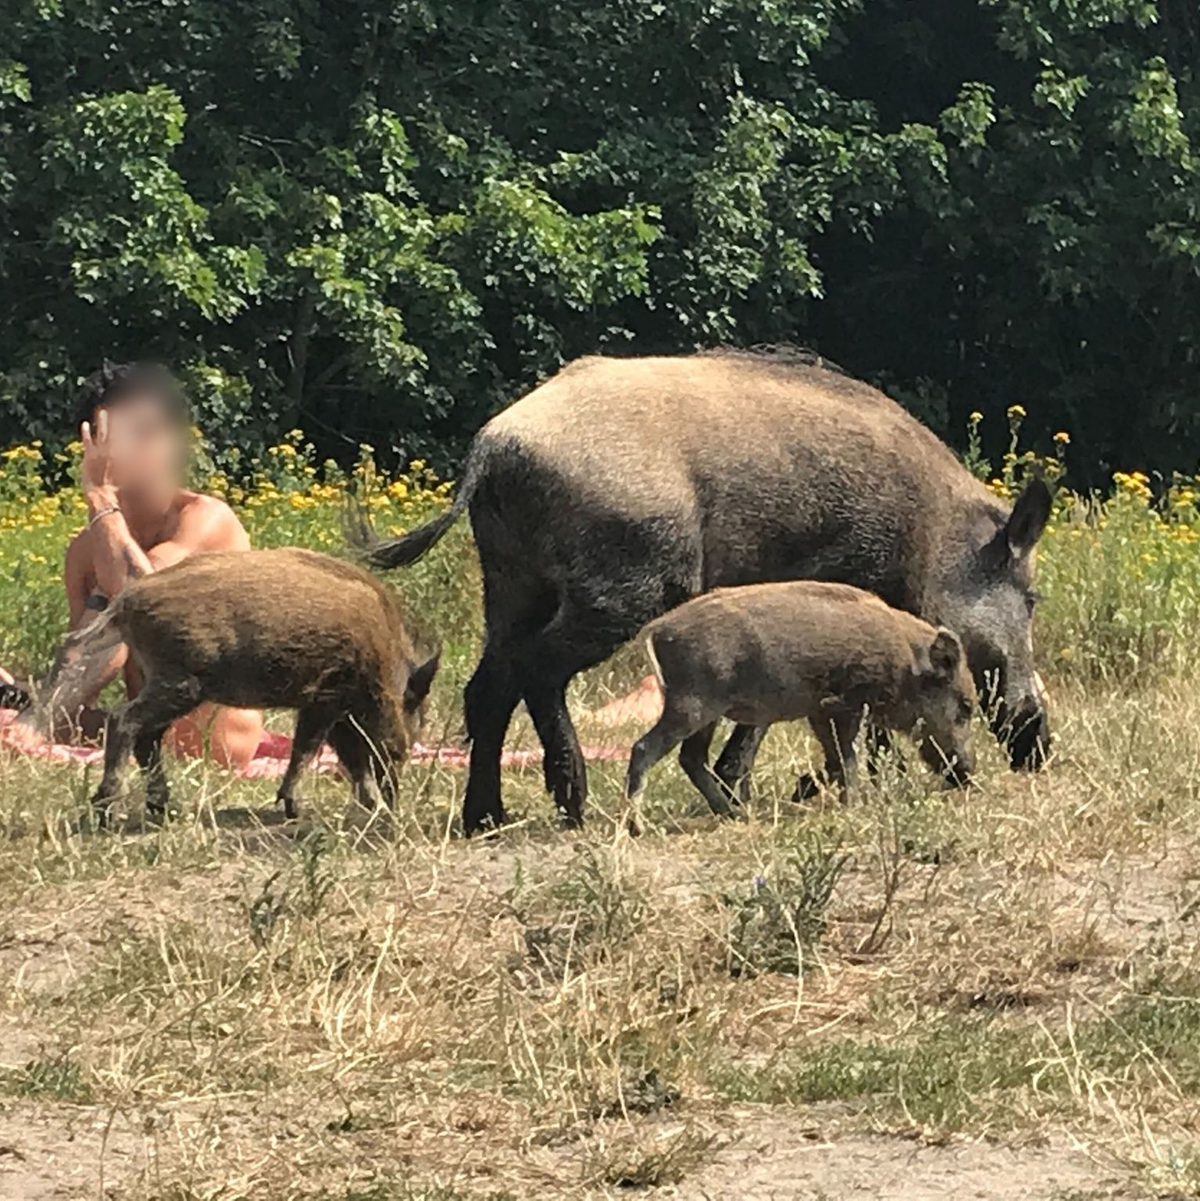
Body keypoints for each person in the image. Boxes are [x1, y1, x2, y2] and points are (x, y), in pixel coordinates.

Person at [54, 361, 263, 767]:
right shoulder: (84, 550)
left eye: (149, 433)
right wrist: (45, 708)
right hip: (146, 732)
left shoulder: (205, 521)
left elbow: (140, 594)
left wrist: (99, 494)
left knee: (116, 604)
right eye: (120, 436)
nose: (138, 450)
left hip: (211, 744)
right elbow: (84, 663)